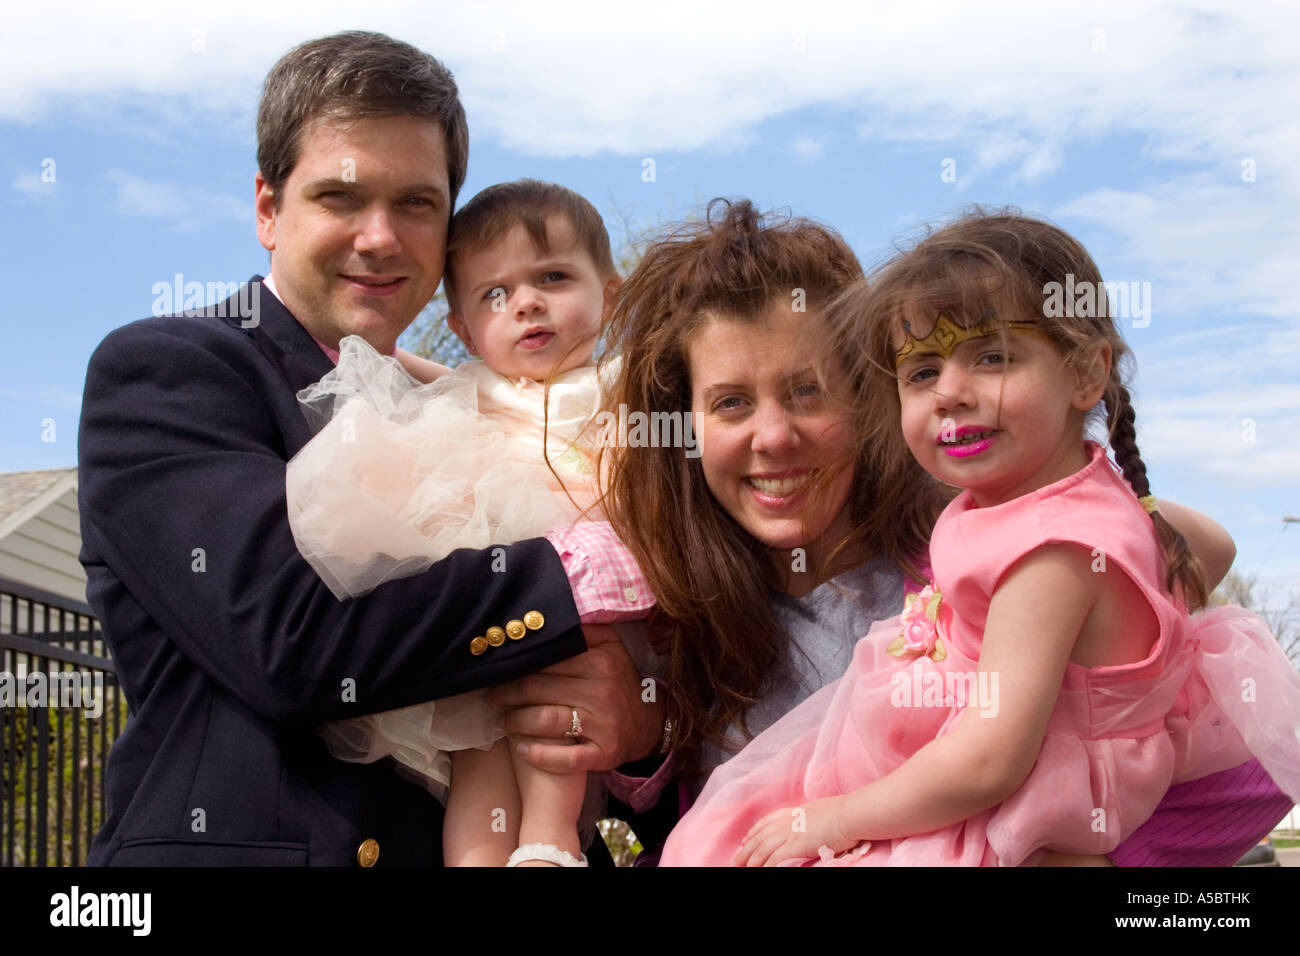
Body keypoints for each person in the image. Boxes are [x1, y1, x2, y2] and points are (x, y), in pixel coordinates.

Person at [77, 32, 656, 867]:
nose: (381, 237)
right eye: (342, 198)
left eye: (417, 203)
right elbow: (289, 640)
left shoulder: (482, 402)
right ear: (269, 209)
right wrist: (584, 583)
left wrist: (639, 727)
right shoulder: (169, 372)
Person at [595, 198, 1295, 865]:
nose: (774, 437)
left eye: (808, 391)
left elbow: (1240, 758)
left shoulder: (1002, 546)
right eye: (730, 403)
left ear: (866, 397)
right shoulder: (660, 610)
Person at [286, 179, 646, 867]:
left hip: (587, 592)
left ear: (612, 292)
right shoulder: (475, 386)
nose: (528, 303)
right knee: (475, 745)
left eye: (554, 277)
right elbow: (390, 367)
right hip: (490, 606)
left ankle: (547, 842)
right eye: (495, 295)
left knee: (553, 716)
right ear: (463, 329)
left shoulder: (625, 379)